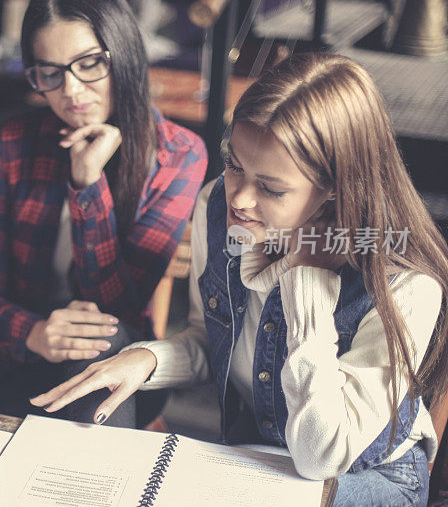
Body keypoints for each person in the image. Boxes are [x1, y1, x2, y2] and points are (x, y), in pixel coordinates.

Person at [32, 52, 448, 506]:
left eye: (270, 187)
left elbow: (322, 456)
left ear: (333, 189)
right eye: (234, 164)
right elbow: (212, 342)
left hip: (363, 477)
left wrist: (307, 279)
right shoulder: (218, 206)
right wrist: (147, 361)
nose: (240, 199)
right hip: (259, 458)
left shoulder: (404, 284)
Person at [0, 0, 207, 427]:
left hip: (112, 361)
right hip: (12, 363)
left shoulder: (179, 154)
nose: (71, 91)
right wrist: (35, 332)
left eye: (89, 63)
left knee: (103, 346)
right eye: (50, 73)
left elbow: (119, 310)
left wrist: (87, 183)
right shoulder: (8, 145)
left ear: (124, 54)